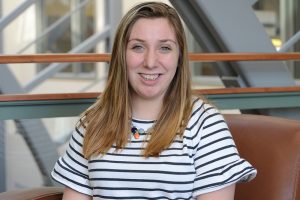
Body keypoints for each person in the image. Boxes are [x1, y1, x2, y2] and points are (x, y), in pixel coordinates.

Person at [51, 2, 257, 199]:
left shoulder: (205, 124)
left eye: (165, 48)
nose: (150, 62)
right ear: (121, 55)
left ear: (179, 57)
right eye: (138, 47)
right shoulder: (93, 122)